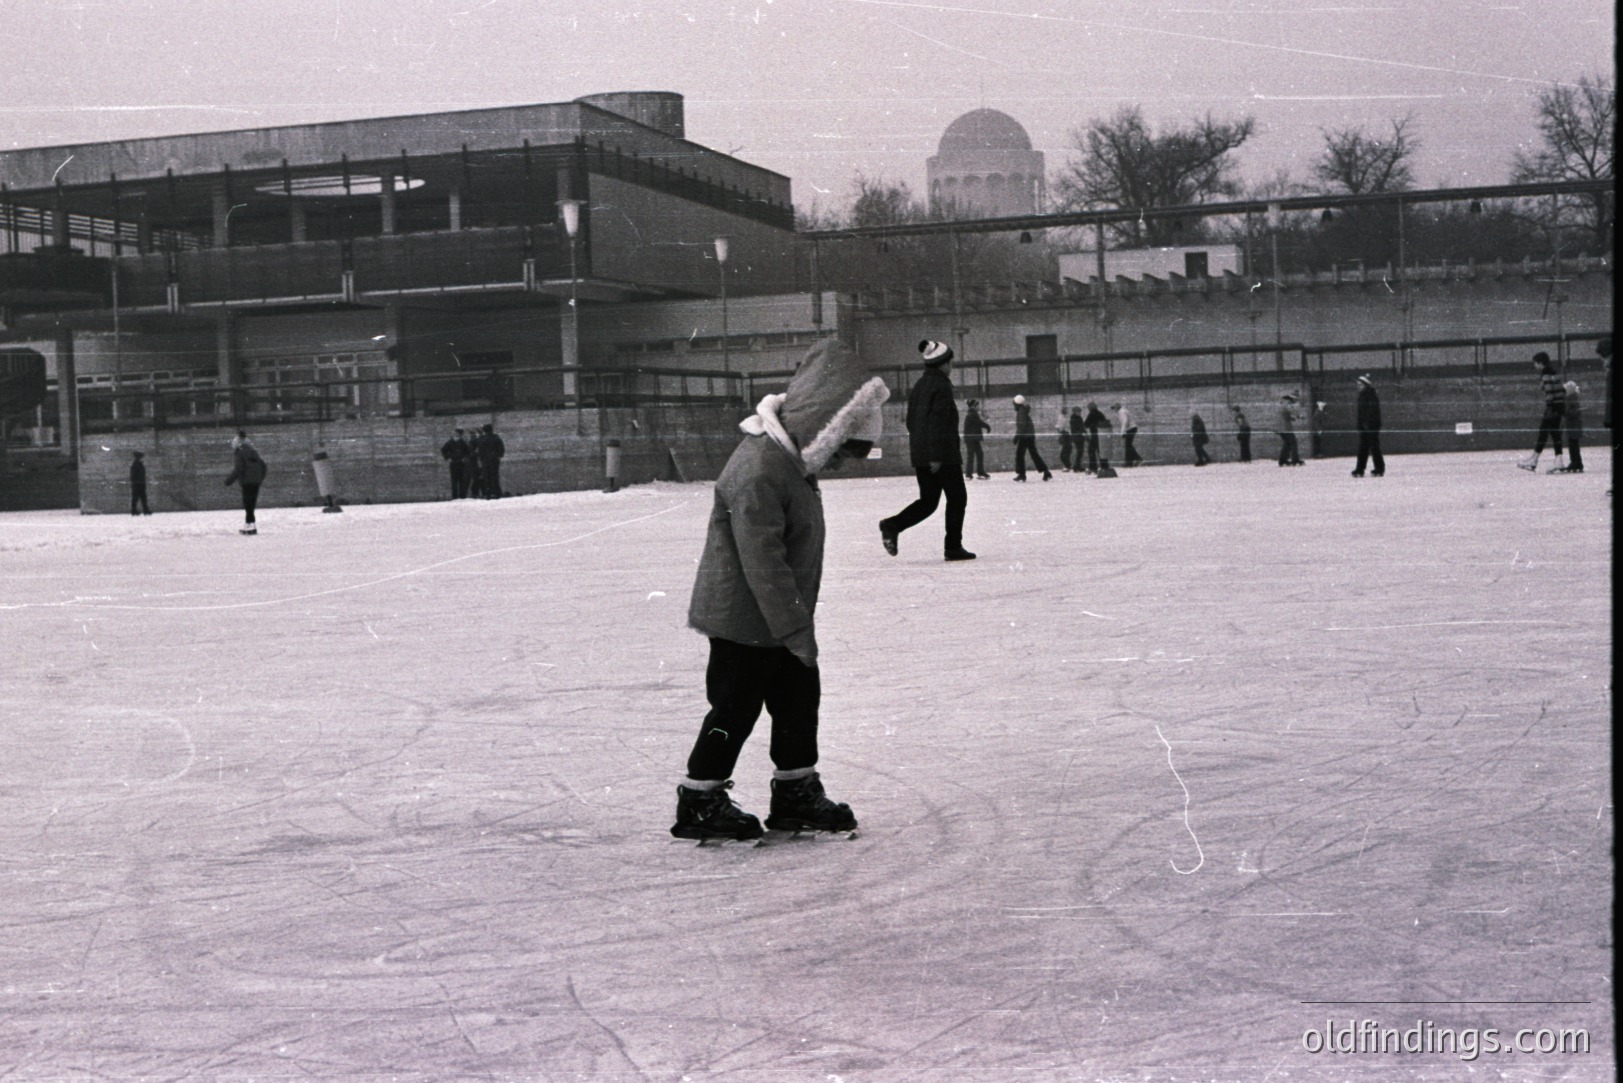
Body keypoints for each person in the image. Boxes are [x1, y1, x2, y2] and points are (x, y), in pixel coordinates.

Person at [673, 338, 888, 841]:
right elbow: (762, 562)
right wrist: (794, 628)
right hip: (743, 618)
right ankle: (699, 797)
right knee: (733, 709)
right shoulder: (760, 471)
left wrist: (792, 627)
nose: (838, 465)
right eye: (841, 452)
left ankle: (795, 792)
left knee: (798, 699)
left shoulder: (790, 462)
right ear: (823, 432)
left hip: (777, 617)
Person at [880, 340, 976, 560]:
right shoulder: (941, 386)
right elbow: (938, 422)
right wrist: (936, 455)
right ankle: (953, 547)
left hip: (922, 454)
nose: (951, 365)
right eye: (950, 361)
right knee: (957, 497)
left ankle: (892, 525)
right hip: (942, 456)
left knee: (929, 501)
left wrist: (923, 451)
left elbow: (911, 422)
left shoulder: (920, 385)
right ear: (942, 364)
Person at [1519, 352, 1566, 472]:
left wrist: (1549, 407)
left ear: (1540, 363)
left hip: (1552, 407)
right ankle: (1558, 461)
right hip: (1559, 406)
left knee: (1543, 432)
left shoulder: (1545, 374)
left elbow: (1549, 391)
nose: (1535, 365)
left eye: (1535, 363)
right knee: (1555, 434)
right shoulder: (1554, 373)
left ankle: (1534, 460)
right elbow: (1561, 389)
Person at [224, 430, 268, 535]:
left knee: (248, 505)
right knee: (251, 504)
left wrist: (229, 481)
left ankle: (250, 527)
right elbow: (263, 466)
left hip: (247, 482)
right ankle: (250, 525)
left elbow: (239, 468)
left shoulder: (240, 453)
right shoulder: (254, 452)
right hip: (256, 481)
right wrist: (260, 478)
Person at [1009, 394, 1051, 482]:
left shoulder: (1021, 412)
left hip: (1025, 436)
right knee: (1034, 454)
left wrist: (1017, 436)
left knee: (1020, 455)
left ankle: (1022, 474)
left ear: (1017, 404)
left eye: (1014, 404)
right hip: (1029, 436)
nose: (1014, 406)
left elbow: (1022, 426)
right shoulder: (1023, 411)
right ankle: (1045, 471)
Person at [1351, 374, 1385, 477]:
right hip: (1365, 426)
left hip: (1371, 426)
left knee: (1373, 448)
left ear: (1365, 384)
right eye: (1358, 384)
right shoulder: (1363, 395)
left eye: (1360, 384)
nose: (1358, 386)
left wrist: (1367, 423)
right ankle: (1360, 469)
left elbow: (1372, 411)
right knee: (1364, 448)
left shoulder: (1370, 395)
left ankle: (1378, 468)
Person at [1554, 380, 1583, 472]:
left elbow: (1571, 412)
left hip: (1573, 425)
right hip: (1575, 425)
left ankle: (1575, 462)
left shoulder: (1571, 399)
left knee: (1572, 445)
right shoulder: (1573, 398)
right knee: (1574, 444)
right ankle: (1577, 462)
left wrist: (1564, 412)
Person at [961, 399, 990, 479]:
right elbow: (979, 423)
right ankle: (969, 474)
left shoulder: (972, 413)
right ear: (974, 406)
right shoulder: (972, 414)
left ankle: (978, 472)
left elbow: (978, 422)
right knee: (971, 455)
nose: (979, 407)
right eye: (977, 405)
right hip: (971, 439)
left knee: (979, 454)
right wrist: (987, 426)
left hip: (973, 438)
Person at [440, 428, 471, 499]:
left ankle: (462, 496)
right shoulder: (450, 442)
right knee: (454, 480)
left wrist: (465, 458)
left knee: (461, 480)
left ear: (460, 434)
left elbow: (468, 451)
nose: (455, 434)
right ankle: (455, 496)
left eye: (456, 433)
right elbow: (443, 449)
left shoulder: (463, 442)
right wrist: (448, 456)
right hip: (453, 462)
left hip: (461, 463)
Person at [478, 423, 506, 497]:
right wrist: (498, 455)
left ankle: (488, 493)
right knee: (495, 476)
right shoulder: (496, 438)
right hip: (494, 460)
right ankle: (496, 492)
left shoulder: (482, 439)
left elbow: (480, 451)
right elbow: (501, 449)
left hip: (485, 460)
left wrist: (481, 459)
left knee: (486, 477)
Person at [1083, 400, 1110, 473]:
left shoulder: (1091, 414)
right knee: (1101, 451)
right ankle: (1105, 466)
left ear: (1090, 408)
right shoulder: (1100, 413)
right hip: (1102, 434)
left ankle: (1093, 467)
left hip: (1095, 435)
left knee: (1091, 451)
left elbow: (1085, 424)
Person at [1276, 394, 1304, 466]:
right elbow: (1292, 410)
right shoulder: (1286, 405)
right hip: (1286, 428)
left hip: (1280, 428)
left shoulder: (1280, 405)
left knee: (1287, 444)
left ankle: (1282, 460)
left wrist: (1294, 418)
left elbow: (1286, 416)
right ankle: (1295, 460)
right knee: (1293, 443)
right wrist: (1299, 414)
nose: (1291, 402)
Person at [1114, 402, 1142, 466]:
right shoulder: (1123, 411)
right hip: (1132, 428)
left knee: (1128, 445)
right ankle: (1130, 462)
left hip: (1130, 428)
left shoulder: (1121, 412)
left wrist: (1122, 432)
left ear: (1117, 408)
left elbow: (1125, 422)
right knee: (1128, 445)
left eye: (1114, 408)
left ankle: (1135, 459)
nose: (1114, 410)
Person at [129, 451, 151, 516]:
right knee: (140, 497)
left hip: (137, 483)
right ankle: (141, 510)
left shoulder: (136, 464)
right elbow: (136, 475)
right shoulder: (137, 464)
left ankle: (137, 510)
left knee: (138, 497)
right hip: (139, 483)